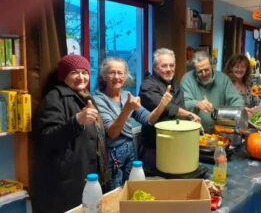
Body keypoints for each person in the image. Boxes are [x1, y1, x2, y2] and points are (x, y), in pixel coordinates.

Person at [31, 54, 109, 213]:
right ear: (63, 75)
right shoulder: (54, 98)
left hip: (88, 176)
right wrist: (76, 121)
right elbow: (47, 138)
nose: (81, 77)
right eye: (74, 72)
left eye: (85, 72)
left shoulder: (87, 96)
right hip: (66, 182)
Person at [93, 57, 172, 189]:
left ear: (125, 76)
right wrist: (127, 109)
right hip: (112, 155)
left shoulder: (126, 95)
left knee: (132, 190)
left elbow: (149, 119)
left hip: (130, 150)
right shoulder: (98, 100)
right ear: (104, 76)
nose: (116, 76)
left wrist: (162, 104)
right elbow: (112, 133)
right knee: (116, 193)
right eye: (112, 72)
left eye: (120, 73)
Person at [139, 48, 200, 169]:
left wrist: (191, 122)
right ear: (155, 68)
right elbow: (167, 108)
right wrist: (189, 114)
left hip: (176, 146)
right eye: (164, 66)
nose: (169, 69)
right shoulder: (147, 85)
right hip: (154, 148)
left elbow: (179, 109)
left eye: (171, 65)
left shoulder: (175, 84)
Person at [181, 51, 244, 132]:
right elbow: (183, 103)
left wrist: (236, 114)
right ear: (195, 70)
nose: (204, 74)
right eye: (199, 71)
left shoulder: (223, 79)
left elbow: (237, 99)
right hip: (193, 131)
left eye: (206, 70)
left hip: (219, 132)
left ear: (212, 66)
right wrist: (197, 104)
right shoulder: (187, 79)